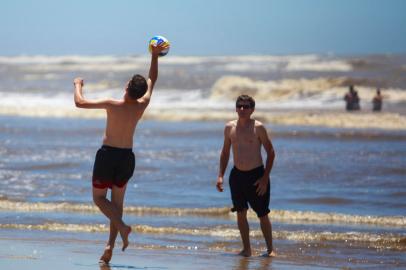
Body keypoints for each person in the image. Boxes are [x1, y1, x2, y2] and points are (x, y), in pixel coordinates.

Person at [73, 42, 168, 264]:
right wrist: (155, 56)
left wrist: (77, 84)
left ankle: (123, 228)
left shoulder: (112, 104)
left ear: (126, 86)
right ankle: (109, 246)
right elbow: (152, 79)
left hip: (108, 156)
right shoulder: (142, 104)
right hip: (127, 158)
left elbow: (80, 102)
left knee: (98, 199)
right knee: (116, 205)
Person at [216, 94, 276, 257]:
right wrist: (220, 175)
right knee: (240, 213)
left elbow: (270, 152)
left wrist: (264, 178)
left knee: (262, 214)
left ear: (252, 109)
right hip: (237, 176)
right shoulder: (229, 127)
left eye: (246, 106)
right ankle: (246, 249)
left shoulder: (258, 127)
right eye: (239, 106)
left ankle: (270, 250)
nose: (242, 109)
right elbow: (225, 152)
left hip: (256, 176)